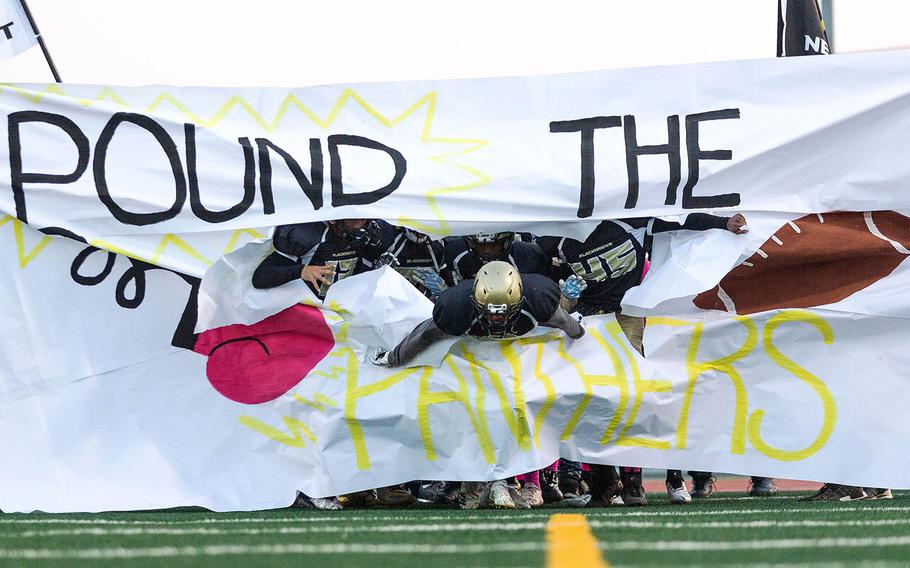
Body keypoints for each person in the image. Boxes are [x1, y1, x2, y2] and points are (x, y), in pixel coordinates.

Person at [539, 212, 748, 506]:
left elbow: (681, 219)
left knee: (632, 396)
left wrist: (722, 222)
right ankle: (604, 481)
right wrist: (566, 298)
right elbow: (542, 285)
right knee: (590, 400)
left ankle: (635, 480)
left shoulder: (630, 221)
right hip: (584, 322)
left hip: (626, 315)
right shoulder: (552, 234)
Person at [371, 261, 585, 509]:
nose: (497, 318)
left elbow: (569, 325)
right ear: (474, 302)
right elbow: (425, 335)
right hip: (475, 351)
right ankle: (473, 482)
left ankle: (533, 483)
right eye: (491, 312)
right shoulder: (455, 309)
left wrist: (580, 333)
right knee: (470, 408)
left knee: (527, 405)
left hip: (522, 349)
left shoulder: (539, 301)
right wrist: (393, 356)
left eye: (503, 312)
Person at [252, 218, 394, 298]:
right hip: (310, 313)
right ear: (334, 219)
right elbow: (260, 277)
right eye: (355, 220)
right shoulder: (310, 235)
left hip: (345, 312)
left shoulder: (375, 233)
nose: (361, 226)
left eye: (364, 219)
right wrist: (301, 271)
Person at [444, 231, 550, 282]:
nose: (487, 251)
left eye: (493, 245)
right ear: (471, 243)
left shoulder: (530, 255)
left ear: (506, 242)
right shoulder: (456, 253)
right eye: (481, 245)